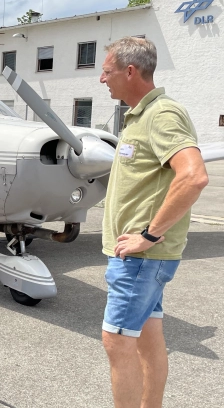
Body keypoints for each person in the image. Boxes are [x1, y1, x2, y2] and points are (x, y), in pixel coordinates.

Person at [99, 37, 209, 408]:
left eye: (107, 71)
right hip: (141, 261)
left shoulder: (161, 114)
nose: (102, 79)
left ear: (130, 71)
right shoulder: (140, 117)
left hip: (140, 261)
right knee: (148, 339)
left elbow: (193, 177)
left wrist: (148, 235)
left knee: (117, 342)